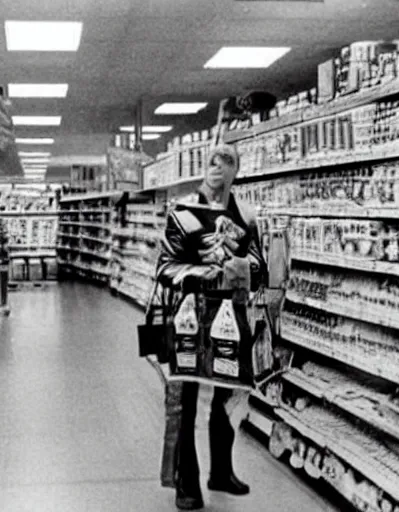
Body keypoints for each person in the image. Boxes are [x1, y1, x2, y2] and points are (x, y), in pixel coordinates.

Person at [156, 143, 268, 510]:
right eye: (212, 162)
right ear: (202, 168)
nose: (219, 169)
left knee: (227, 395)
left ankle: (221, 470)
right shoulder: (184, 213)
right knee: (185, 402)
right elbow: (165, 268)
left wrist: (238, 266)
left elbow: (259, 266)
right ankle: (185, 481)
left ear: (238, 170)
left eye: (228, 162)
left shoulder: (246, 216)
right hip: (189, 317)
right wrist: (200, 272)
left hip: (231, 317)